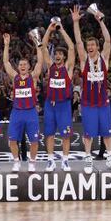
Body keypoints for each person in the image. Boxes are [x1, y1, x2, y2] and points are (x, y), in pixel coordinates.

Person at [71, 5, 111, 173]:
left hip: (103, 104)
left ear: (97, 47)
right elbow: (77, 41)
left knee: (107, 133)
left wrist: (101, 21)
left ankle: (110, 158)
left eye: (93, 44)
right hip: (88, 103)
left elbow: (108, 40)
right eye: (88, 45)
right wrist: (76, 22)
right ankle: (88, 159)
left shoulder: (104, 58)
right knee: (88, 134)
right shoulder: (84, 59)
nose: (90, 47)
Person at [3, 33, 43, 172]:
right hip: (17, 112)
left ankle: (32, 162)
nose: (22, 66)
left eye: (25, 64)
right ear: (18, 67)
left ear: (29, 67)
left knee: (34, 140)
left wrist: (38, 43)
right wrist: (7, 44)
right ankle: (16, 161)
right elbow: (6, 63)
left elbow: (39, 62)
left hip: (31, 112)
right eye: (20, 64)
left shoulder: (33, 77)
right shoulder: (14, 77)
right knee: (12, 140)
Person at [42, 20, 75, 172]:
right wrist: (49, 31)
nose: (58, 55)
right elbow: (43, 48)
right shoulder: (50, 67)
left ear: (64, 57)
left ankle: (66, 160)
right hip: (50, 104)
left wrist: (61, 30)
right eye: (56, 53)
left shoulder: (67, 68)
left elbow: (72, 47)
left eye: (60, 54)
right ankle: (50, 160)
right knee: (49, 133)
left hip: (64, 105)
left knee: (65, 135)